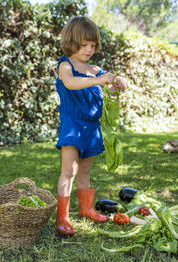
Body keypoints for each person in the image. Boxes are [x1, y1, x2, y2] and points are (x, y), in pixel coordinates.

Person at [54, 16, 126, 235]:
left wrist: (117, 83)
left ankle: (86, 209)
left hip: (91, 127)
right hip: (73, 124)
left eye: (93, 45)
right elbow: (70, 83)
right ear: (71, 41)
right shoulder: (65, 65)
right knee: (69, 169)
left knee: (85, 170)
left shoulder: (96, 69)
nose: (89, 49)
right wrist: (98, 80)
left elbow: (110, 86)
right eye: (84, 44)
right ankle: (62, 217)